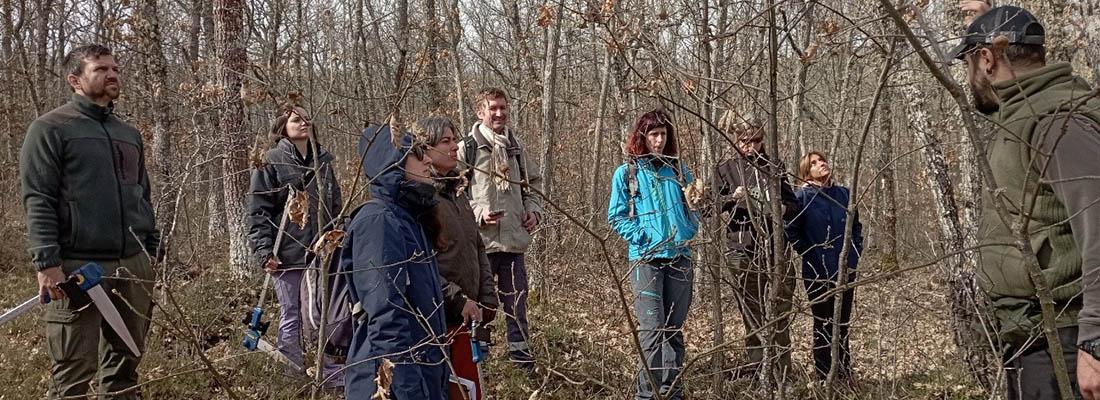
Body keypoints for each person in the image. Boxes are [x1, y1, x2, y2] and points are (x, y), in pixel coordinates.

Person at [947, 5, 1100, 399]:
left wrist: (1094, 342)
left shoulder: (1054, 119)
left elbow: (1099, 222)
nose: (969, 78)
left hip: (1064, 338)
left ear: (986, 59)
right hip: (1037, 335)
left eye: (969, 63)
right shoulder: (1025, 112)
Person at [20, 44, 159, 399]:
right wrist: (48, 264)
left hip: (133, 265)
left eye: (115, 68)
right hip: (78, 266)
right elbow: (38, 198)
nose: (112, 74)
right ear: (75, 80)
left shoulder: (129, 134)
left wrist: (151, 249)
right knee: (72, 373)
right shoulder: (50, 129)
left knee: (126, 365)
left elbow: (141, 192)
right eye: (100, 69)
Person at [342, 124, 449, 399]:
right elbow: (386, 319)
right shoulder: (379, 222)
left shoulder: (407, 219)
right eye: (416, 154)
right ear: (391, 164)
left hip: (421, 374)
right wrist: (410, 391)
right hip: (391, 384)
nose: (427, 160)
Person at [247, 104, 344, 387]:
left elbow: (335, 203)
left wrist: (337, 236)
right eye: (295, 119)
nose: (303, 123)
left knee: (322, 315)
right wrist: (264, 251)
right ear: (282, 125)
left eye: (306, 118)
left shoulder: (323, 160)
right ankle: (293, 376)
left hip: (322, 253)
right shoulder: (272, 161)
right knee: (292, 315)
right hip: (288, 254)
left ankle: (327, 373)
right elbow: (258, 210)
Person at [607, 108, 699, 400]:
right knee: (651, 330)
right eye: (653, 135)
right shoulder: (627, 173)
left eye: (663, 134)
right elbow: (616, 216)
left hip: (680, 256)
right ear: (642, 137)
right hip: (646, 259)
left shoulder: (680, 171)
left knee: (674, 328)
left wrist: (687, 229)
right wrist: (644, 236)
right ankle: (647, 394)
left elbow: (695, 207)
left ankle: (673, 392)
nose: (659, 140)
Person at [456, 87, 543, 373]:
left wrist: (532, 211)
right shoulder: (466, 149)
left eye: (503, 108)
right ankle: (480, 364)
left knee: (517, 304)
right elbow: (452, 192)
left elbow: (533, 184)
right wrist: (478, 212)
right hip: (480, 244)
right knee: (482, 305)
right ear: (480, 112)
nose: (499, 113)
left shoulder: (514, 147)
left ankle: (521, 363)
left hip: (513, 242)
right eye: (492, 108)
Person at [711, 114, 798, 380]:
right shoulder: (725, 169)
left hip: (775, 250)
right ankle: (759, 370)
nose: (751, 146)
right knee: (752, 314)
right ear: (736, 140)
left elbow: (793, 205)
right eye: (745, 141)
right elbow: (707, 207)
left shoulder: (775, 166)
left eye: (757, 140)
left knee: (780, 312)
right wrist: (730, 199)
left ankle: (781, 373)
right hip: (741, 248)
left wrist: (780, 208)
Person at [419, 116, 500, 399]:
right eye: (446, 141)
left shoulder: (459, 193)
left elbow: (477, 247)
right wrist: (457, 299)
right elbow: (421, 265)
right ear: (426, 150)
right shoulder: (424, 202)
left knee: (471, 389)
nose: (455, 146)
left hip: (469, 320)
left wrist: (487, 297)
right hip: (441, 321)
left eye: (455, 140)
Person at [786, 151, 862, 383]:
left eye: (823, 160)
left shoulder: (844, 194)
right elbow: (792, 231)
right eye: (814, 163)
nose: (822, 164)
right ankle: (823, 376)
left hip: (845, 271)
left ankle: (844, 373)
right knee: (823, 324)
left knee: (842, 324)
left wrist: (853, 257)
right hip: (817, 272)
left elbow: (856, 228)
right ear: (807, 172)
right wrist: (811, 256)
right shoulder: (801, 198)